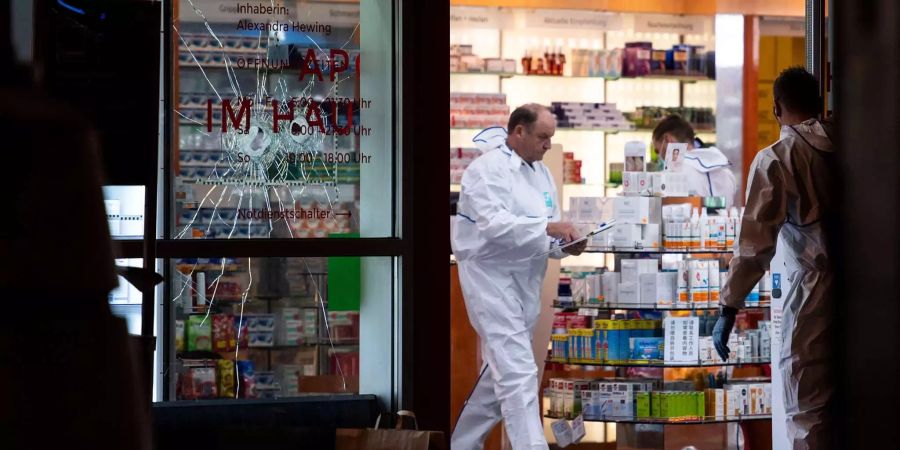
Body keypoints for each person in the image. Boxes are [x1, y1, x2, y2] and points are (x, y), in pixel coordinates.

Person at [451, 104, 586, 450]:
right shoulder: (485, 170)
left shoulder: (540, 174)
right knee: (519, 373)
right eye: (543, 137)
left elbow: (545, 238)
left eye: (551, 139)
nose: (548, 146)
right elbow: (495, 226)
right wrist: (548, 227)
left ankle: (462, 444)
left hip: (527, 281)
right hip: (490, 279)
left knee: (501, 374)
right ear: (519, 132)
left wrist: (566, 246)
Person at [715, 67, 836, 450]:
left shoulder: (777, 159)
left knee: (806, 407)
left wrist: (728, 307)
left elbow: (753, 247)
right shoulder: (855, 144)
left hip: (815, 295)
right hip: (872, 290)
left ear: (776, 108)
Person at [652, 115, 737, 207]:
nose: (659, 156)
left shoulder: (672, 174)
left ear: (668, 140)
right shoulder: (726, 172)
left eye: (657, 150)